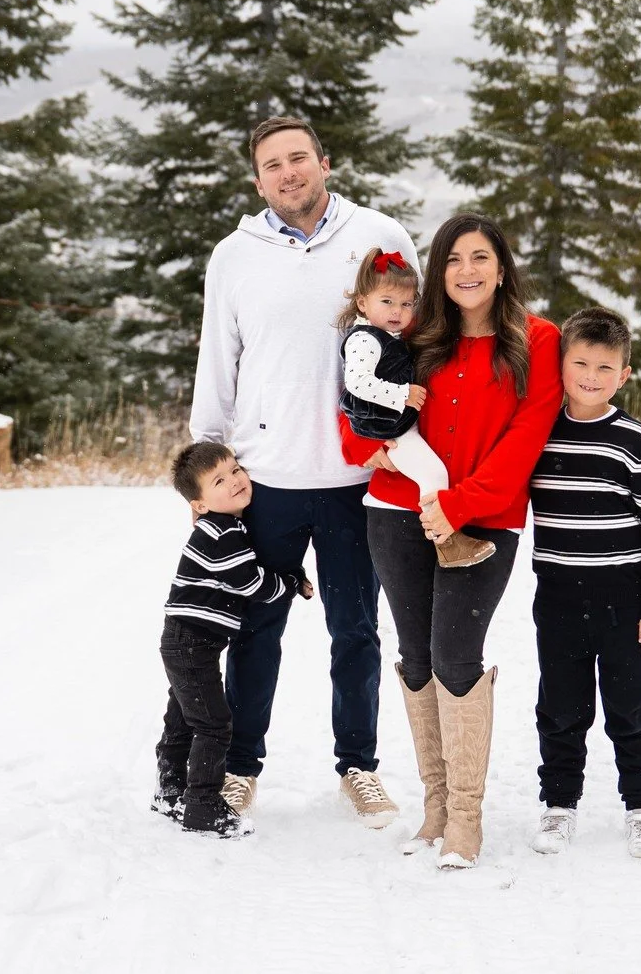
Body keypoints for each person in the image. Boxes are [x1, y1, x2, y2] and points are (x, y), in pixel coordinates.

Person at [191, 116, 416, 827]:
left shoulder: (379, 239)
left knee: (356, 632)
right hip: (268, 481)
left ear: (324, 161)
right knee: (257, 628)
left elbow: (418, 340)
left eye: (299, 158)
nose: (288, 172)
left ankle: (359, 765)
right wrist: (204, 470)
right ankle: (240, 765)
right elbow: (216, 363)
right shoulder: (234, 256)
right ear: (257, 180)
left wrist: (415, 444)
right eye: (272, 164)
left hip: (358, 480)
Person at [340, 213, 562, 869]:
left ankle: (466, 816)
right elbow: (358, 405)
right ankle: (434, 806)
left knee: (454, 653)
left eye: (479, 257)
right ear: (438, 271)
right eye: (453, 259)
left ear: (501, 267)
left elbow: (527, 437)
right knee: (413, 654)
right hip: (397, 512)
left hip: (485, 517)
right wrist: (367, 451)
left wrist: (459, 503)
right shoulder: (418, 334)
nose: (466, 270)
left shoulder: (536, 339)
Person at [526, 307, 641, 861]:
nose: (591, 376)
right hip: (558, 594)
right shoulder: (538, 430)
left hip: (624, 599)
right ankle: (559, 805)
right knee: (561, 705)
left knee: (632, 705)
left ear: (624, 375)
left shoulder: (633, 440)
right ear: (561, 365)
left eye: (604, 367)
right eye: (580, 363)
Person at [155, 442, 312, 837]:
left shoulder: (228, 526)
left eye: (236, 469)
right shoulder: (221, 532)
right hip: (192, 643)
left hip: (186, 641)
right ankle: (203, 805)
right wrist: (292, 583)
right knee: (213, 725)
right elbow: (252, 583)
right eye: (219, 481)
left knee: (183, 719)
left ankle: (170, 790)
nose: (235, 481)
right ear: (199, 504)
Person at [335, 247, 492, 569]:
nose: (398, 311)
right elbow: (357, 383)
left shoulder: (388, 335)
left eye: (406, 304)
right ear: (363, 302)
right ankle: (446, 542)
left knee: (431, 470)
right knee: (433, 473)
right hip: (388, 429)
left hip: (398, 423)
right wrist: (400, 395)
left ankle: (447, 539)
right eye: (387, 302)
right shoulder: (364, 339)